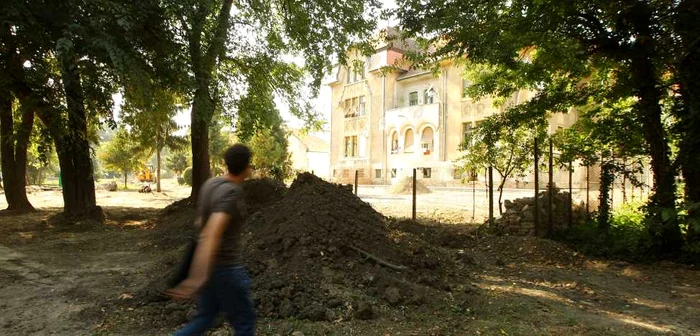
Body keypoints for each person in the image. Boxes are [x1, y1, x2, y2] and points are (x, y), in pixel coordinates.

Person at [165, 144, 255, 336]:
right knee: (245, 321)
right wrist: (198, 277)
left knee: (205, 317)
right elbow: (211, 234)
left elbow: (199, 225)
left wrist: (194, 270)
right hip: (226, 269)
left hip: (210, 266)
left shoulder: (210, 184)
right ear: (247, 167)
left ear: (226, 163)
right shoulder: (231, 193)